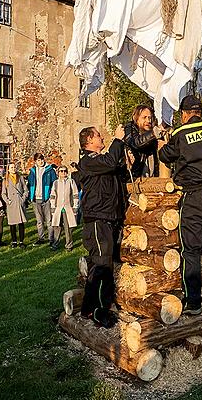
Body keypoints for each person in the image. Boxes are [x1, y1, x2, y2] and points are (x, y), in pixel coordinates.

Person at [158, 95, 202, 315]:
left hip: (194, 197)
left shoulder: (180, 134)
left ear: (184, 114)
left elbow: (165, 156)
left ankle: (194, 302)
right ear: (199, 112)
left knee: (192, 250)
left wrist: (162, 140)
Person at [78, 125, 125, 328]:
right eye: (98, 135)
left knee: (102, 264)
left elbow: (114, 167)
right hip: (96, 220)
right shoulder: (88, 160)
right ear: (89, 141)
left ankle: (91, 307)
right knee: (101, 266)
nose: (101, 137)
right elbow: (110, 161)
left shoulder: (100, 162)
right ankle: (97, 311)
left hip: (106, 218)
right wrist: (117, 140)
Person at [124, 104, 164, 178]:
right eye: (144, 117)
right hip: (134, 178)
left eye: (150, 118)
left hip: (152, 178)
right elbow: (135, 143)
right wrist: (154, 133)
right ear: (136, 118)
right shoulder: (129, 129)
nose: (148, 121)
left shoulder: (151, 134)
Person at [27, 153, 57, 246]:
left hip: (46, 198)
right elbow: (30, 184)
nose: (41, 162)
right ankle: (41, 237)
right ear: (35, 161)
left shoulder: (50, 170)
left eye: (42, 159)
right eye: (39, 160)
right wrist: (30, 197)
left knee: (49, 220)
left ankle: (51, 238)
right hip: (36, 199)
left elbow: (54, 184)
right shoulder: (32, 171)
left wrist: (51, 196)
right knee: (39, 221)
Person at [50, 166, 79, 251]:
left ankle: (69, 245)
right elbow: (52, 196)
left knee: (68, 227)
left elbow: (75, 194)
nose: (63, 173)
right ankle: (55, 244)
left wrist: (75, 207)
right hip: (58, 208)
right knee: (57, 227)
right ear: (58, 172)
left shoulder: (71, 181)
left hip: (68, 208)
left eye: (64, 171)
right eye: (61, 171)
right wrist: (53, 207)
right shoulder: (55, 183)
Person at [2, 163, 28, 248]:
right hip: (11, 204)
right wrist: (8, 201)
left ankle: (21, 241)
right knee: (12, 224)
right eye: (12, 167)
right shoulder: (5, 180)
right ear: (8, 169)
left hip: (19, 203)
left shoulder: (20, 178)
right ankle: (14, 241)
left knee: (21, 223)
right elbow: (3, 193)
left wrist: (23, 199)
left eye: (14, 167)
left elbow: (25, 190)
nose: (14, 169)